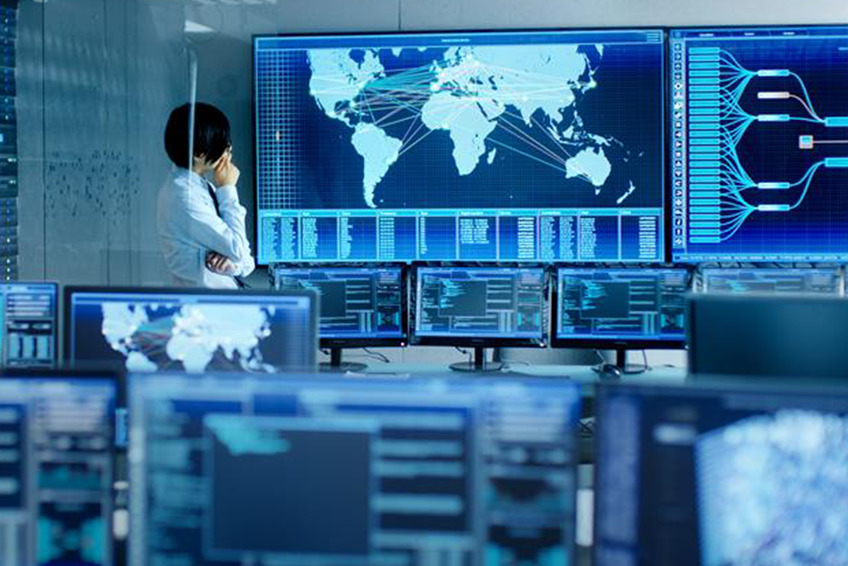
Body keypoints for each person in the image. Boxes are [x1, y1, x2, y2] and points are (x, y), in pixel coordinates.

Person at [158, 103, 255, 289]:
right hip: (209, 309)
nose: (229, 150)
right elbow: (239, 251)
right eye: (224, 144)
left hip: (222, 303)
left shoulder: (199, 185)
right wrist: (228, 190)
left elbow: (246, 263)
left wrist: (234, 266)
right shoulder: (184, 196)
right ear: (199, 154)